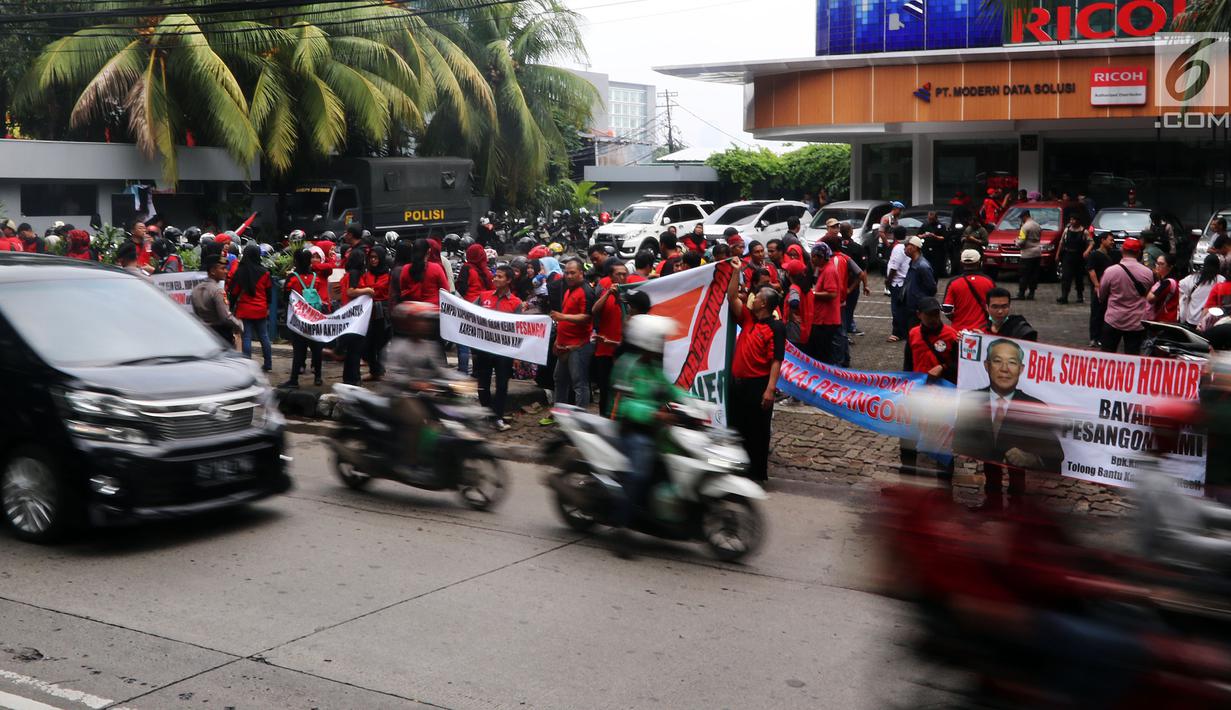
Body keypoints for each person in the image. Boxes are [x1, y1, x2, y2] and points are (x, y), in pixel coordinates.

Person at [954, 339, 1065, 512]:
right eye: (998, 361)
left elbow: (1056, 456)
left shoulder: (1034, 407)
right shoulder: (970, 401)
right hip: (989, 470)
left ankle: (1016, 506)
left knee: (1017, 484)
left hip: (1019, 485)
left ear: (1021, 369)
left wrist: (1032, 459)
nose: (1004, 369)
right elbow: (960, 441)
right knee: (991, 471)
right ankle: (992, 503)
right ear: (987, 365)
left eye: (1012, 363)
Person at [610, 315, 688, 558]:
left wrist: (695, 403)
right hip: (632, 430)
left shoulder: (653, 367)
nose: (663, 343)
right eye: (660, 340)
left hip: (654, 429)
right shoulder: (627, 366)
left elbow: (669, 389)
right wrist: (655, 414)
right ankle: (622, 530)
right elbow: (625, 404)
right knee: (639, 474)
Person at [728, 266, 785, 484]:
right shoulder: (748, 319)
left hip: (758, 386)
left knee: (758, 431)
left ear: (764, 304)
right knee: (738, 427)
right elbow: (731, 297)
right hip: (738, 384)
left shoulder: (775, 327)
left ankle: (756, 474)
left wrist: (770, 389)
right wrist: (736, 272)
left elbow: (776, 360)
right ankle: (738, 470)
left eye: (758, 296)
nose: (754, 298)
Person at [381, 302, 450, 470]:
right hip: (399, 395)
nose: (424, 325)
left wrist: (463, 380)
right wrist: (413, 383)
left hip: (421, 395)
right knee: (418, 418)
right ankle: (409, 461)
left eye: (426, 321)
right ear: (409, 323)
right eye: (420, 321)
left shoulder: (430, 347)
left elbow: (441, 370)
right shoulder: (397, 347)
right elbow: (392, 375)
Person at [900, 297, 958, 485]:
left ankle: (945, 478)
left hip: (942, 396)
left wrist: (943, 368)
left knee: (942, 438)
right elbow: (908, 364)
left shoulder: (951, 336)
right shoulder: (913, 334)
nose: (934, 318)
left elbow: (959, 367)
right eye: (929, 315)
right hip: (918, 394)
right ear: (919, 315)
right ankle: (907, 473)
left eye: (936, 314)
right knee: (908, 435)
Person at [473, 265, 522, 431]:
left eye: (500, 276)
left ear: (509, 280)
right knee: (482, 385)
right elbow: (468, 313)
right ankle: (488, 414)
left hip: (504, 352)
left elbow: (518, 330)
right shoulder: (483, 297)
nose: (495, 279)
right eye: (495, 276)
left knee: (502, 385)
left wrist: (517, 355)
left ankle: (498, 417)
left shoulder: (516, 303)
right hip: (484, 349)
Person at [550, 258, 595, 412]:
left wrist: (562, 317)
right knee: (559, 379)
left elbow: (587, 317)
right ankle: (559, 413)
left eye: (572, 273)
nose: (568, 276)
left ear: (581, 273)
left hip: (578, 345)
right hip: (563, 344)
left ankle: (580, 417)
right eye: (566, 273)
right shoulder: (569, 289)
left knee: (579, 383)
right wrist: (557, 340)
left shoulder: (586, 291)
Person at [1099, 238, 1153, 354]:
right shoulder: (1148, 273)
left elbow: (1101, 294)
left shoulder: (1111, 271)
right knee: (1132, 357)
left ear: (1122, 250)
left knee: (1107, 356)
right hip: (1136, 322)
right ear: (1139, 253)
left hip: (1114, 319)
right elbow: (1149, 294)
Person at [282, 248, 325, 387]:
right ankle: (318, 377)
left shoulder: (292, 278)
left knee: (299, 350)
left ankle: (294, 379)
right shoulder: (315, 277)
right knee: (316, 348)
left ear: (296, 261)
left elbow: (286, 297)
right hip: (314, 319)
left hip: (299, 321)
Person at [592, 261, 629, 417]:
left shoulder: (630, 295)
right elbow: (594, 310)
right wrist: (608, 294)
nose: (622, 277)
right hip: (605, 351)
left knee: (623, 391)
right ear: (611, 277)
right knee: (605, 390)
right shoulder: (605, 293)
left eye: (624, 274)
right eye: (618, 274)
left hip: (624, 352)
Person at [229, 244, 273, 371]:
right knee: (264, 336)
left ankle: (247, 365)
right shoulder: (265, 272)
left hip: (245, 310)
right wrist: (267, 306)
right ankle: (268, 364)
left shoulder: (240, 272)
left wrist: (231, 307)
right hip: (260, 309)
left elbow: (234, 292)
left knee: (246, 337)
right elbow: (269, 292)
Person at [358, 245, 393, 382]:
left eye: (376, 257)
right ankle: (375, 370)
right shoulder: (367, 274)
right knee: (366, 345)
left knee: (381, 344)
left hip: (383, 314)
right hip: (368, 313)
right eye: (371, 257)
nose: (373, 260)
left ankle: (378, 371)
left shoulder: (389, 274)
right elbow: (361, 287)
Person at [191, 254, 242, 346]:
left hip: (202, 334)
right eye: (222, 268)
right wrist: (239, 325)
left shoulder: (196, 289)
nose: (226, 271)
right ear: (213, 271)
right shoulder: (218, 291)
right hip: (220, 336)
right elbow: (226, 317)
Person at [943, 250, 996, 333]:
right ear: (979, 262)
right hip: (982, 331)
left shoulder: (953, 282)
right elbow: (996, 307)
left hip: (959, 331)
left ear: (961, 263)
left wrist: (957, 319)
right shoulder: (989, 281)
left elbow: (947, 309)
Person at [808, 243, 842, 364]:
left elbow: (832, 294)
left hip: (827, 320)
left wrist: (813, 294)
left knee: (824, 354)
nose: (812, 259)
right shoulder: (823, 269)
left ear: (820, 257)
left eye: (813, 256)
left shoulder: (829, 271)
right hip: (822, 318)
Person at [1086, 230, 1118, 347]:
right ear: (1103, 240)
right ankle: (1094, 337)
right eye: (1110, 240)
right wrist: (1097, 284)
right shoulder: (1095, 255)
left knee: (1106, 312)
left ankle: (1103, 337)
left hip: (1110, 289)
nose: (1112, 242)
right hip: (1099, 288)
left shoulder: (1113, 254)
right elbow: (1091, 270)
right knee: (1096, 312)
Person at [899, 236, 936, 334]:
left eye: (907, 245)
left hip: (918, 308)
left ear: (914, 247)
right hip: (911, 308)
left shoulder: (922, 266)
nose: (904, 248)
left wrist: (920, 299)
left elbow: (932, 288)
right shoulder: (913, 263)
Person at [838, 222, 869, 337]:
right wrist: (865, 285)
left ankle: (847, 328)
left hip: (838, 283)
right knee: (849, 309)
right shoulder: (857, 248)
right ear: (851, 232)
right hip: (852, 284)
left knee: (840, 309)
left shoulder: (836, 245)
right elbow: (862, 271)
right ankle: (845, 334)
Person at [397, 238, 450, 305]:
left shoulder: (405, 269)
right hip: (433, 308)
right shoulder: (436, 268)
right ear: (429, 251)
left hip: (412, 308)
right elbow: (446, 291)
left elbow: (402, 290)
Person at [1179, 255, 1225, 329]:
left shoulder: (1193, 278)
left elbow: (1180, 286)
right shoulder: (1221, 280)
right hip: (1209, 322)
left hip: (1191, 319)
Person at [884, 226, 912, 342]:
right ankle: (904, 331)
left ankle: (897, 332)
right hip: (904, 281)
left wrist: (888, 281)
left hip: (898, 282)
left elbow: (894, 267)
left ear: (894, 235)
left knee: (897, 308)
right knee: (903, 307)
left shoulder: (898, 248)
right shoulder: (906, 246)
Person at [1057, 214, 1090, 304]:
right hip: (1068, 255)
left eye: (1073, 220)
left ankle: (1080, 295)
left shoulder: (1084, 231)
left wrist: (1087, 251)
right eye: (1071, 220)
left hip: (1079, 256)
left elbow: (1091, 243)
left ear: (1078, 221)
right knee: (1066, 276)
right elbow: (1061, 242)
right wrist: (1058, 254)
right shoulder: (1067, 230)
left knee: (1079, 277)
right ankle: (1064, 296)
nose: (1071, 222)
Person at [782, 259, 812, 350]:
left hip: (794, 331)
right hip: (806, 330)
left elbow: (794, 302)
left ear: (788, 273)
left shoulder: (794, 287)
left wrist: (791, 315)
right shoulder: (808, 289)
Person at [1015, 210, 1042, 300]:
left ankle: (1021, 293)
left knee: (1024, 274)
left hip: (1027, 254)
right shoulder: (1037, 225)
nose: (1021, 220)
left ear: (1025, 216)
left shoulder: (1025, 227)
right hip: (1037, 253)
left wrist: (1016, 242)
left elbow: (1022, 241)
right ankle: (1031, 293)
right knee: (1034, 274)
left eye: (1021, 218)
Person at [1147, 254, 1179, 324]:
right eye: (1157, 263)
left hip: (1165, 320)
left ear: (1170, 267)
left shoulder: (1168, 282)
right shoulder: (1163, 281)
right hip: (1163, 318)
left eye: (1161, 264)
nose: (1157, 266)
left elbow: (1150, 298)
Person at [918, 211, 948, 277]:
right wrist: (923, 235)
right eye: (929, 219)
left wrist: (935, 236)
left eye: (932, 219)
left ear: (936, 218)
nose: (930, 220)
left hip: (938, 249)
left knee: (936, 265)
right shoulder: (925, 225)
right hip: (926, 248)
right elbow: (918, 235)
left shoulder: (941, 226)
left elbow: (944, 238)